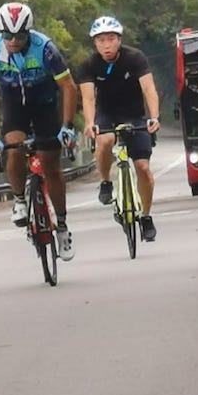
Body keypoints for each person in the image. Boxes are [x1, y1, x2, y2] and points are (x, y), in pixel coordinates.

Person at [0, 2, 79, 261]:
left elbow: (68, 87)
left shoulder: (45, 49)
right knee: (13, 149)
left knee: (51, 165)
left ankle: (62, 226)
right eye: (7, 35)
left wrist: (67, 126)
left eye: (19, 36)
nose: (13, 41)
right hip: (15, 107)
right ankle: (19, 200)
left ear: (29, 32)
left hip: (45, 105)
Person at [76, 16, 161, 241]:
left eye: (111, 39)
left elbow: (149, 90)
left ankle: (146, 216)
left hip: (134, 115)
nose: (106, 45)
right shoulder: (88, 65)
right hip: (106, 115)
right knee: (104, 141)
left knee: (143, 167)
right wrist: (89, 123)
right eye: (101, 40)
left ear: (119, 40)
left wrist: (154, 117)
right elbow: (88, 98)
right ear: (95, 43)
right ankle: (105, 181)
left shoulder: (135, 58)